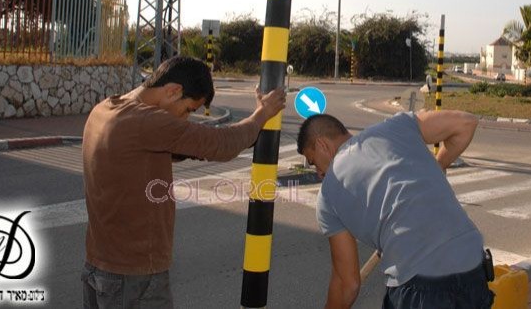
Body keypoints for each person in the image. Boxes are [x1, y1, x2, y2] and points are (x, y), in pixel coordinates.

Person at [81, 56, 286, 308]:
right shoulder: (145, 120)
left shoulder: (105, 109)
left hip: (99, 266)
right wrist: (262, 114)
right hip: (134, 276)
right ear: (173, 91)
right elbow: (222, 145)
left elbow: (159, 150)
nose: (185, 118)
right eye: (188, 109)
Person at [297, 110, 494, 309]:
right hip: (473, 272)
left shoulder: (329, 193)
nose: (319, 173)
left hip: (420, 290)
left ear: (322, 144)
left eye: (313, 162)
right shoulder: (395, 127)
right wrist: (439, 164)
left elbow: (347, 284)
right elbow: (466, 123)